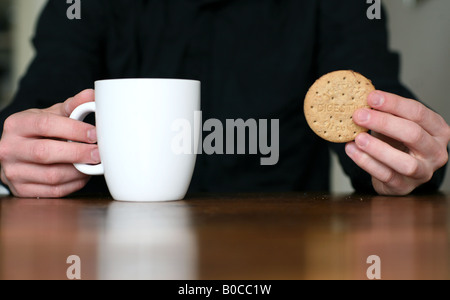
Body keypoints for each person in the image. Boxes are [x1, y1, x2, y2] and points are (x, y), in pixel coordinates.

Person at [0, 0, 448, 198]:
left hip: (283, 260)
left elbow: (376, 114)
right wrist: (12, 158)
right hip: (111, 257)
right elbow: (34, 110)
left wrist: (412, 159)